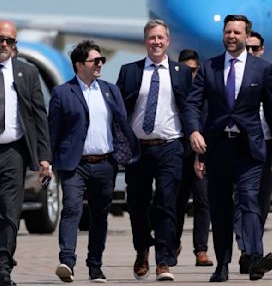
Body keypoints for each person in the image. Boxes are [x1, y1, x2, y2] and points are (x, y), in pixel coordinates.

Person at [184, 14, 272, 282]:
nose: (231, 36)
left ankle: (255, 257)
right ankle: (222, 264)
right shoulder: (209, 68)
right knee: (220, 208)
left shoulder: (262, 69)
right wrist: (194, 131)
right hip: (218, 148)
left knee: (249, 201)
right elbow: (192, 104)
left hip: (250, 148)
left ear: (246, 36)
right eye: (228, 32)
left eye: (237, 32)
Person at [49, 39, 139, 283]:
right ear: (79, 65)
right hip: (74, 164)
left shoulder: (111, 90)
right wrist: (47, 161)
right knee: (72, 210)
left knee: (100, 216)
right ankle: (67, 261)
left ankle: (95, 266)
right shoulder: (62, 93)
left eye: (102, 60)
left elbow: (120, 125)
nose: (100, 64)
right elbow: (53, 131)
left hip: (105, 164)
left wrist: (125, 152)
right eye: (95, 60)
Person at [117, 19, 192, 282]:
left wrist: (194, 135)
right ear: (145, 41)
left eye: (161, 38)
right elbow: (120, 111)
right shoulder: (129, 71)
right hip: (138, 149)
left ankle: (164, 260)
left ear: (168, 41)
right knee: (137, 205)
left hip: (170, 146)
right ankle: (142, 250)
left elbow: (188, 109)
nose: (157, 42)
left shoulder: (181, 72)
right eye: (152, 38)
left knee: (167, 204)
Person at [0, 20, 51, 286]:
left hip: (13, 152)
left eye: (10, 41)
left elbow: (38, 116)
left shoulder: (26, 73)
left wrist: (44, 156)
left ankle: (3, 267)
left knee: (10, 211)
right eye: (0, 39)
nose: (4, 45)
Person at [233, 31, 272, 273]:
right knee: (243, 200)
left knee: (262, 201)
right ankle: (250, 251)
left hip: (266, 146)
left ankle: (250, 248)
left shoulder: (269, 75)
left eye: (256, 48)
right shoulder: (235, 78)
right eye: (247, 48)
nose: (251, 53)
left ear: (262, 49)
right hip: (241, 145)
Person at [175, 49, 213, 267]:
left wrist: (203, 155)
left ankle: (201, 250)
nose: (191, 74)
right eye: (186, 70)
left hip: (200, 153)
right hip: (178, 154)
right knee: (176, 203)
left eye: (195, 70)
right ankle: (173, 245)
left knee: (202, 201)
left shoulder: (205, 93)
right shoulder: (174, 90)